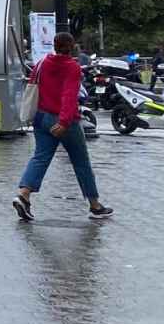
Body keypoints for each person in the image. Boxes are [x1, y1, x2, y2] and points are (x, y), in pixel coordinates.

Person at [15, 32, 113, 221]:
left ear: (54, 45)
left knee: (40, 157)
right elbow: (69, 96)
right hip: (63, 121)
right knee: (81, 162)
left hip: (41, 117)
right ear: (72, 46)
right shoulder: (72, 67)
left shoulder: (42, 63)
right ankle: (94, 205)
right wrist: (64, 121)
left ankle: (23, 194)